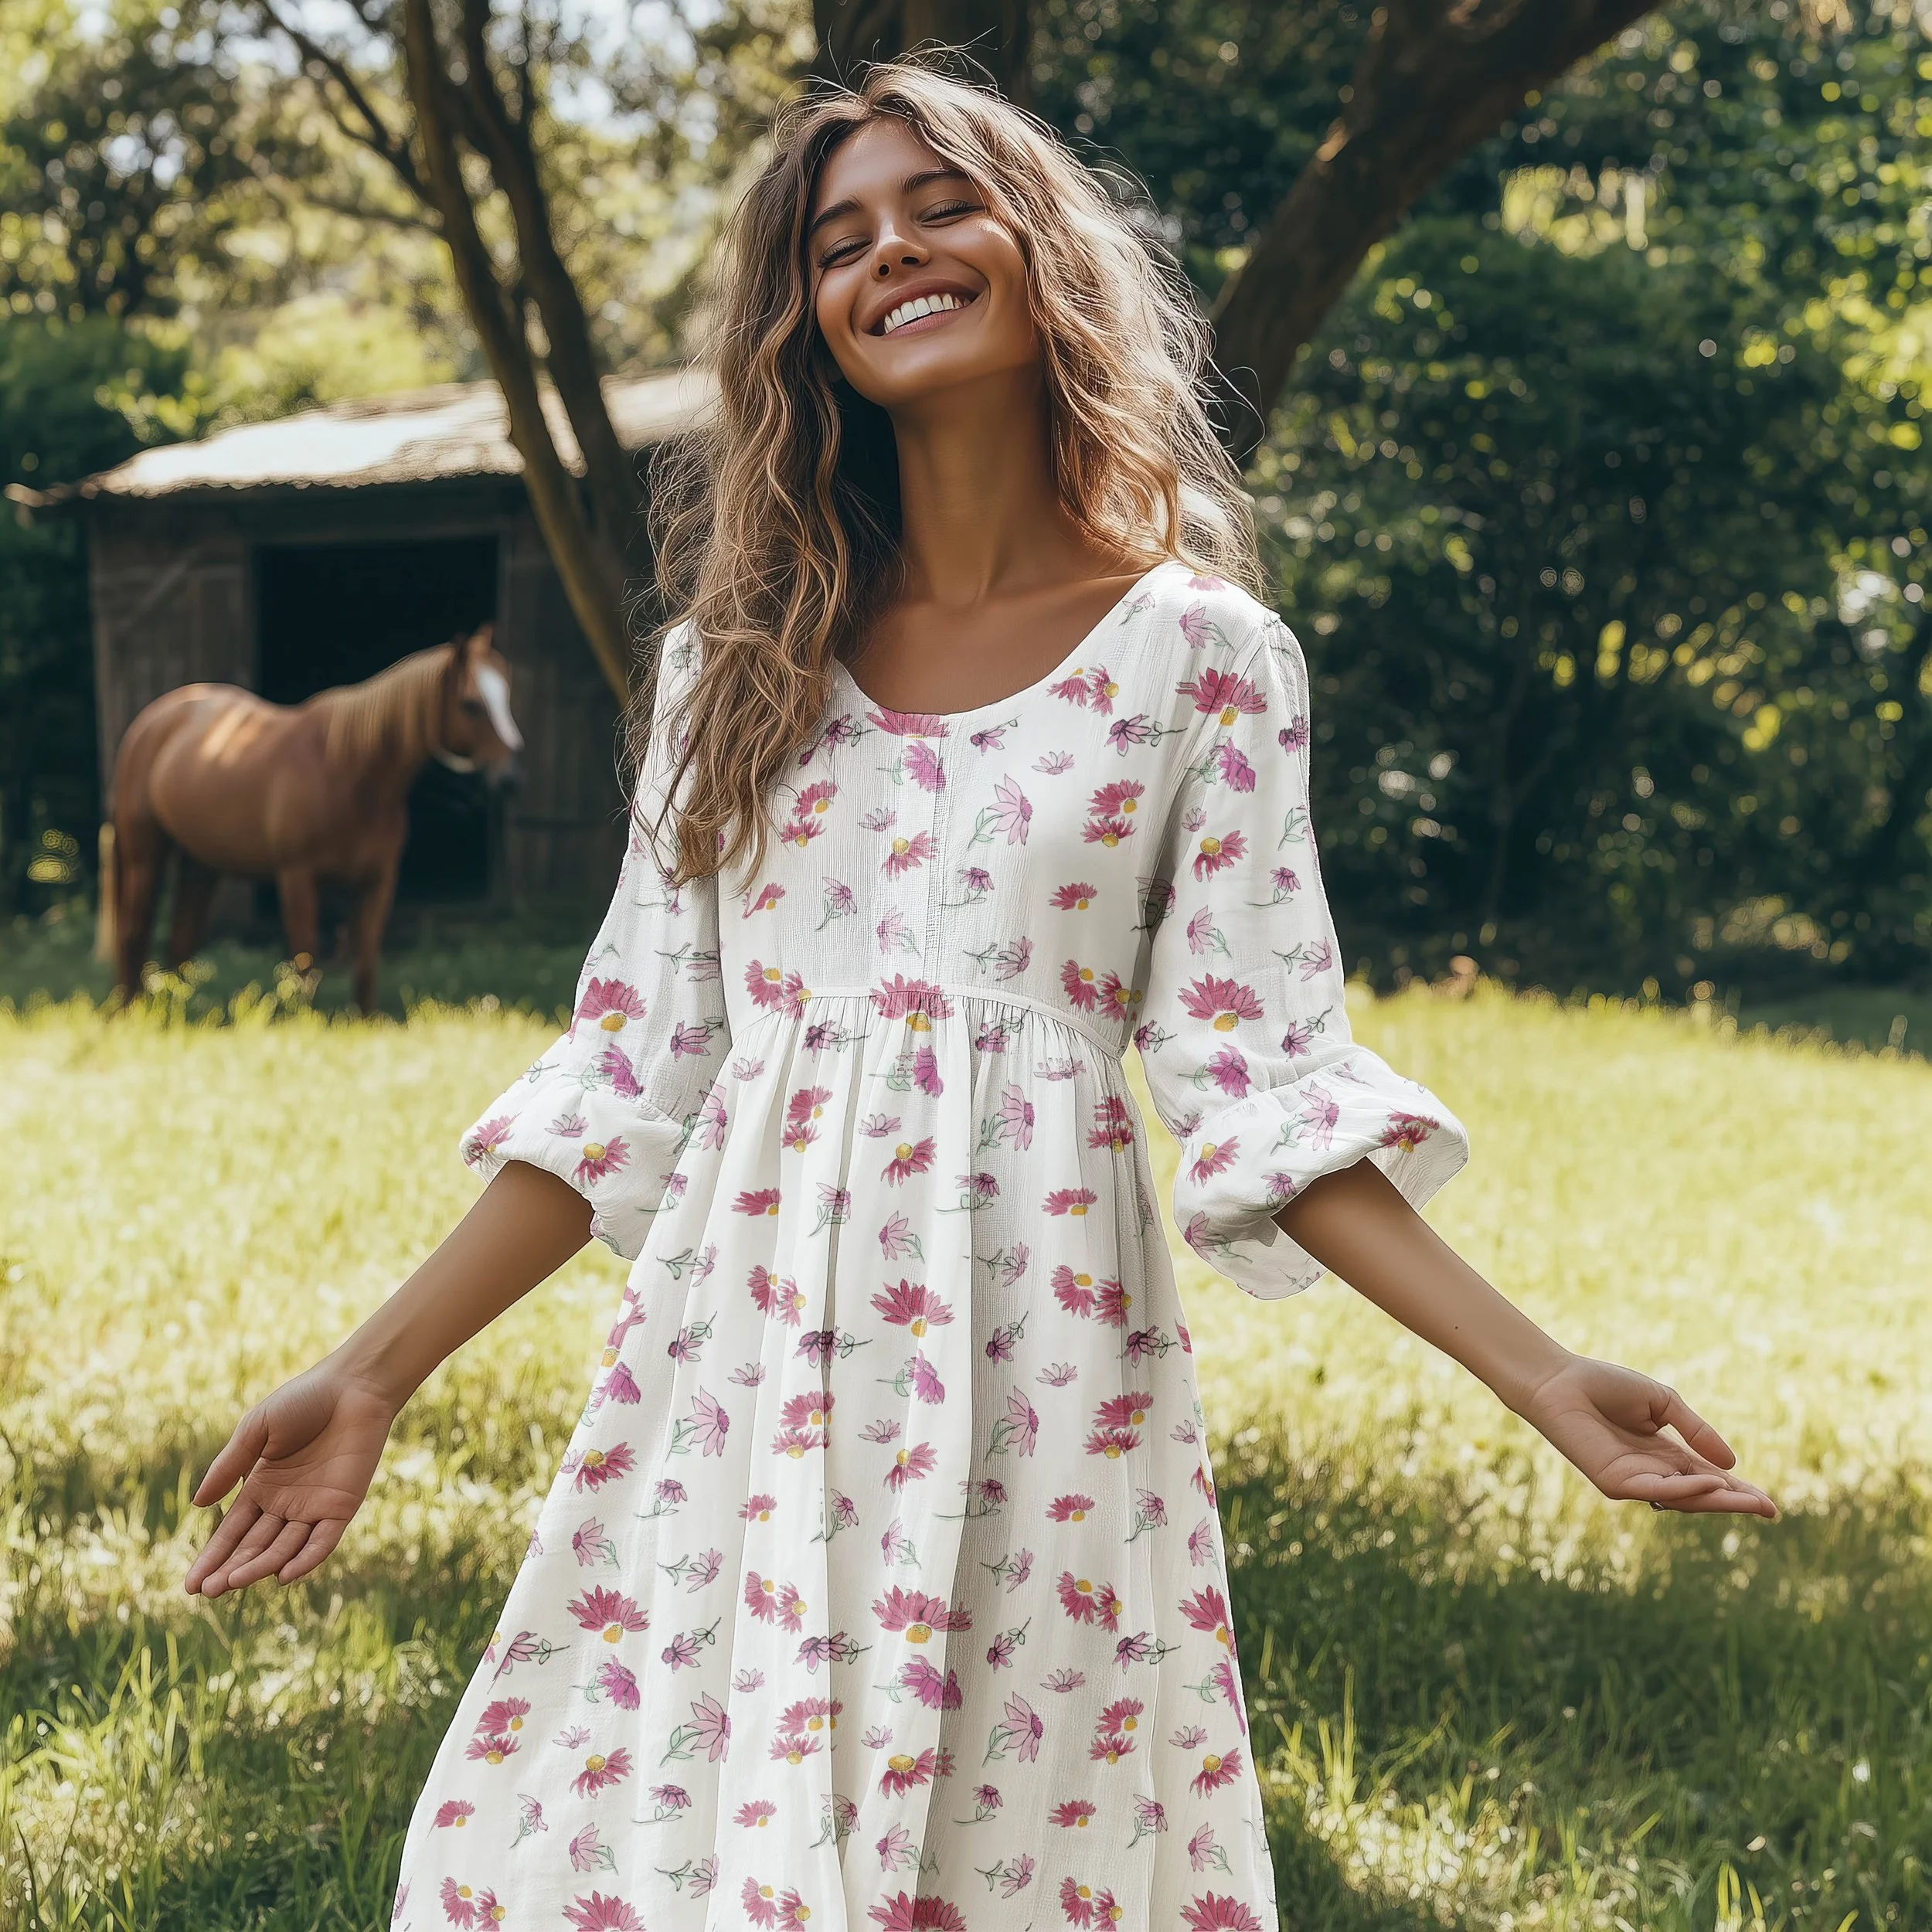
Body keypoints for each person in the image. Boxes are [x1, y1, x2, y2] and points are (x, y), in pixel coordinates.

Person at [182, 59, 1777, 1932]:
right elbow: (632, 1074)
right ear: (804, 324)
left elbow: (1262, 1085)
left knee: (1016, 1846)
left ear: (1041, 252)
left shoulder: (1200, 658)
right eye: (838, 239)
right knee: (676, 1848)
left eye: (940, 205)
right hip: (743, 1378)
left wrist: (1539, 1376)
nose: (892, 252)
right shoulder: (731, 671)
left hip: (1044, 1384)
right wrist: (371, 1370)